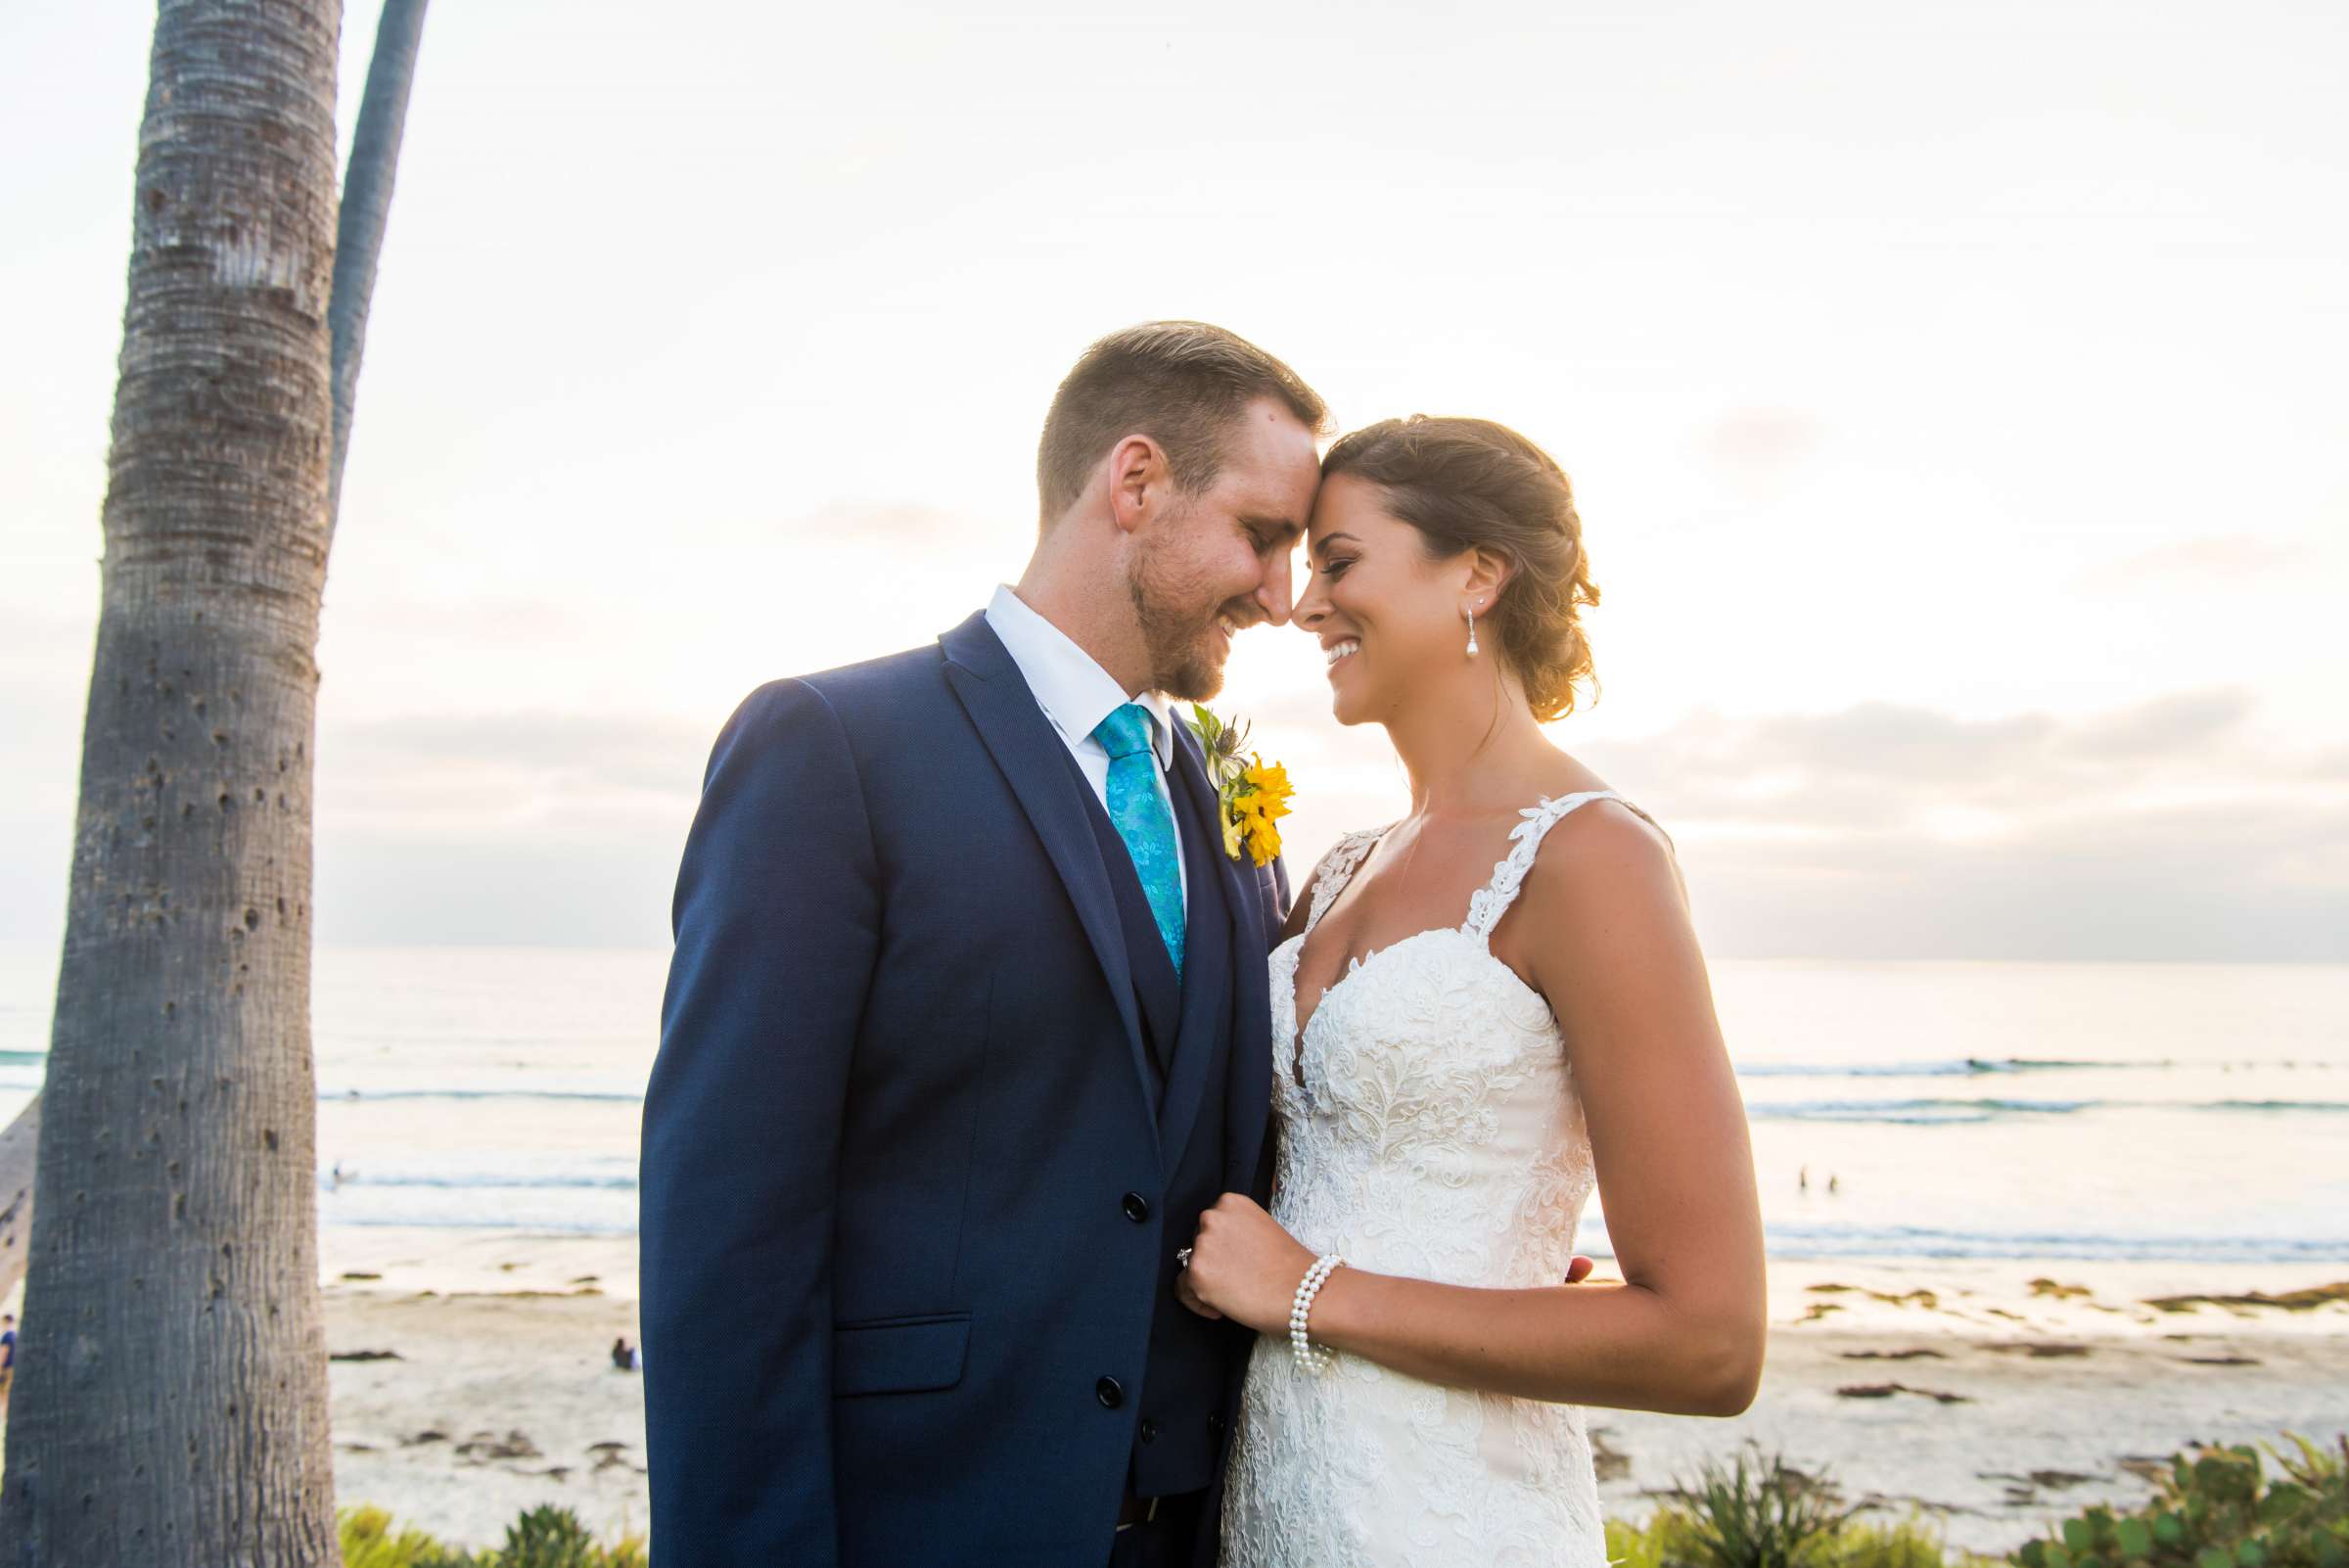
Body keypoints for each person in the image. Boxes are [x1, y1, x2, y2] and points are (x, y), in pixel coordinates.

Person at [642, 322, 1327, 1567]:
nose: (1284, 596)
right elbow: (730, 1231)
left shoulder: (1230, 809)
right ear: (1135, 483)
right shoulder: (835, 750)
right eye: (1262, 535)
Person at [1177, 416, 1768, 1566]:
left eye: (1340, 561)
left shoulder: (1594, 859)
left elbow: (1711, 1341)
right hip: (1283, 1506)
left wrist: (1306, 1291)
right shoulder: (1343, 867)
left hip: (1459, 1518)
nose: (1303, 605)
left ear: (1479, 576)